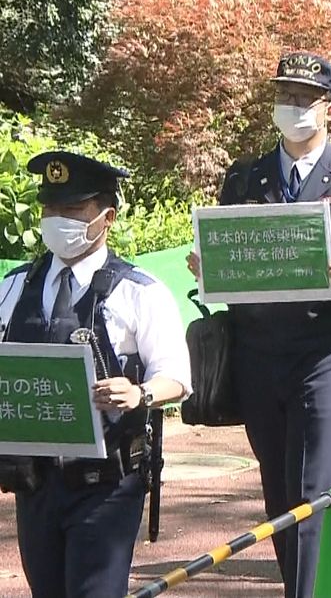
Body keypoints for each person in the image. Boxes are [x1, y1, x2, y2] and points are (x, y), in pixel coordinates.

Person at [187, 53, 331, 597]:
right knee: (280, 496)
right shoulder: (244, 178)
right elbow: (230, 256)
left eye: (304, 100)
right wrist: (210, 266)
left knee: (315, 491)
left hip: (321, 356)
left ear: (329, 109)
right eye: (285, 96)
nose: (292, 107)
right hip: (256, 356)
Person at [0, 152, 192, 597]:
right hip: (35, 481)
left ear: (106, 216)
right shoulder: (14, 287)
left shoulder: (138, 291)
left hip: (108, 483)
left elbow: (178, 376)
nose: (56, 220)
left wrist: (139, 392)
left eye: (71, 211)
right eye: (50, 209)